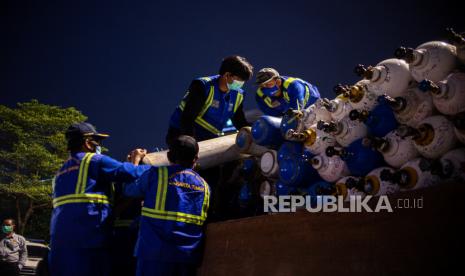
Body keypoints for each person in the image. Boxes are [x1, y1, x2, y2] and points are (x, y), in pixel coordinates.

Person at [48, 122, 149, 276]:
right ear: (88, 143)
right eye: (98, 142)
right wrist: (137, 160)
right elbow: (131, 173)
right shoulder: (94, 161)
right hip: (89, 242)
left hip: (60, 246)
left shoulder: (61, 172)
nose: (99, 147)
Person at [123, 135, 210, 276]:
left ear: (168, 156)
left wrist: (134, 161)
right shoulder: (204, 186)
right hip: (187, 259)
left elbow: (129, 189)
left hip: (154, 257)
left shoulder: (155, 175)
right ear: (196, 158)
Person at [166, 55, 254, 145]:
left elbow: (239, 121)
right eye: (239, 79)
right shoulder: (203, 86)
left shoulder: (238, 95)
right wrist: (190, 144)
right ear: (227, 75)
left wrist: (254, 132)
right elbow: (187, 119)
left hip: (209, 138)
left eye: (243, 81)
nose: (241, 83)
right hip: (182, 135)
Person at [254, 67, 321, 117]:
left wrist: (295, 113)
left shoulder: (294, 86)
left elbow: (297, 109)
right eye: (262, 85)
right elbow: (273, 117)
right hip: (288, 113)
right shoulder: (260, 96)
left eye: (268, 84)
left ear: (278, 81)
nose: (265, 87)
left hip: (314, 107)